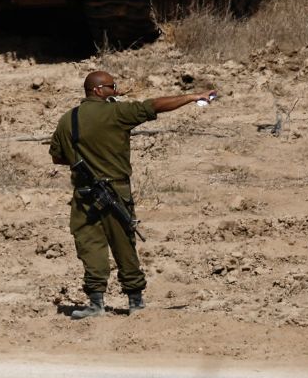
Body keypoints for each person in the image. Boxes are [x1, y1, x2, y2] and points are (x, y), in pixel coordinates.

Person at [47, 69, 216, 319]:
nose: (116, 91)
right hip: (115, 190)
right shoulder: (118, 113)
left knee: (89, 245)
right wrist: (192, 97)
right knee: (124, 244)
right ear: (98, 90)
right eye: (112, 87)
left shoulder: (67, 119)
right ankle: (135, 301)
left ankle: (95, 303)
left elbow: (57, 156)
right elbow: (155, 106)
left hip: (84, 195)